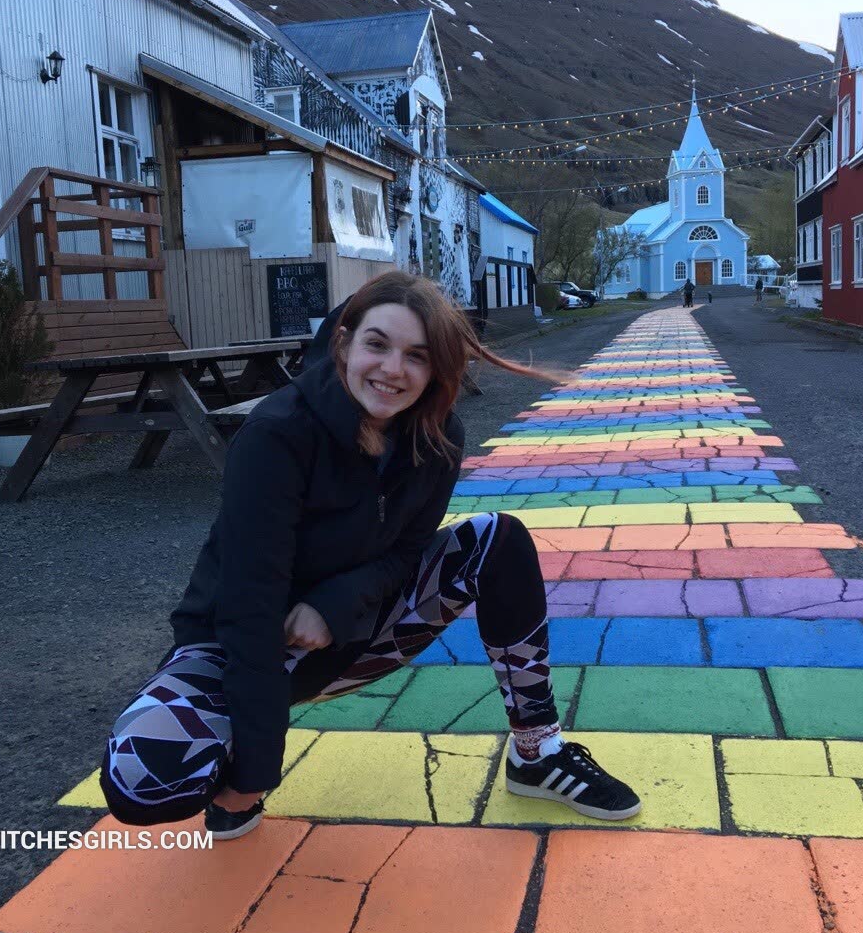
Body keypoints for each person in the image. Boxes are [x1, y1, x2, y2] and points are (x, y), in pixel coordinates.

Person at [100, 271, 641, 839]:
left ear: (435, 369)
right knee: (143, 776)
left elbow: (409, 550)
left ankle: (537, 752)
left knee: (498, 539)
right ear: (345, 343)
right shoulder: (277, 434)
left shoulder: (438, 437)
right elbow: (246, 607)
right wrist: (255, 772)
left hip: (352, 635)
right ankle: (230, 770)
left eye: (417, 356)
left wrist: (332, 607)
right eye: (377, 344)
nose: (392, 369)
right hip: (235, 648)